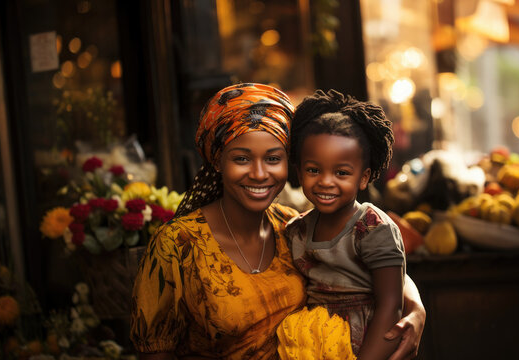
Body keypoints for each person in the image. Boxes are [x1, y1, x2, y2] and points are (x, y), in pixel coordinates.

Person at [129, 83, 425, 359]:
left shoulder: (291, 226)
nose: (259, 174)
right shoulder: (176, 246)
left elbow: (377, 271)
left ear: (289, 163)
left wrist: (416, 309)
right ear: (217, 161)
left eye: (273, 158)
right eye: (242, 159)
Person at [283, 89, 403, 359]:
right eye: (314, 170)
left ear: (364, 177)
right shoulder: (296, 231)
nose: (326, 181)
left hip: (368, 346)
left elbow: (391, 305)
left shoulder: (372, 227)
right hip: (314, 345)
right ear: (299, 171)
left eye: (341, 172)